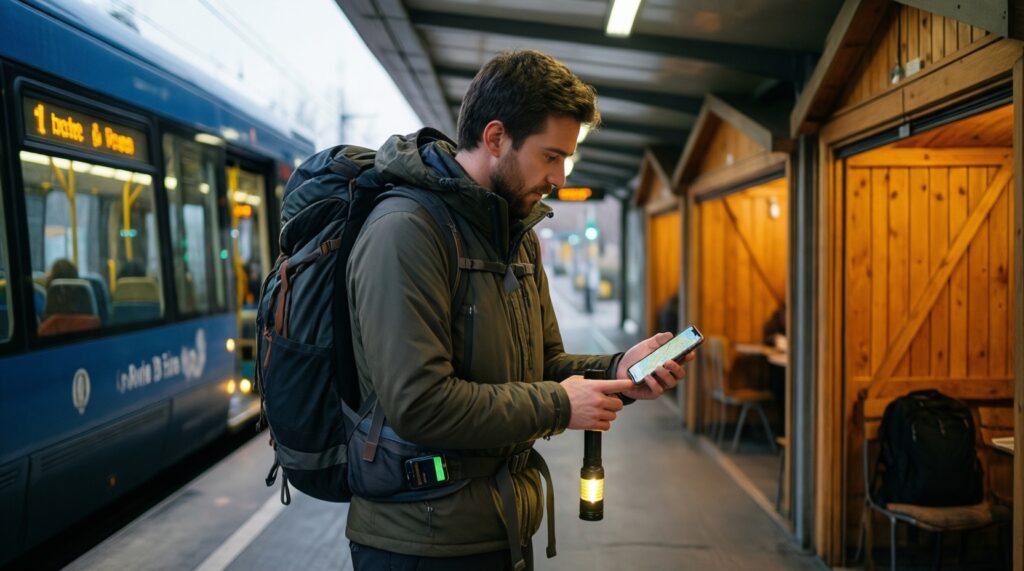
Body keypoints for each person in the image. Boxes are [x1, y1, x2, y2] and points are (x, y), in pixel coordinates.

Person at [346, 50, 693, 570]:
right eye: (550, 156)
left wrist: (616, 369)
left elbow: (545, 365)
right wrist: (559, 406)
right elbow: (419, 404)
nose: (559, 176)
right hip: (420, 540)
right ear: (495, 138)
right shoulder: (405, 232)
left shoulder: (516, 235)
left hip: (501, 523)